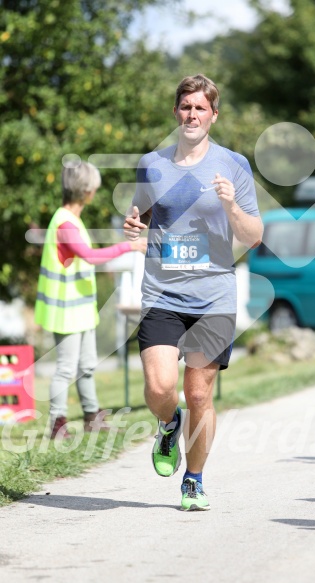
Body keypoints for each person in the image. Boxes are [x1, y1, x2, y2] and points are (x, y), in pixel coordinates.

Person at [123, 74, 263, 511]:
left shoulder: (233, 165)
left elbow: (254, 235)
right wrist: (133, 227)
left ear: (214, 115)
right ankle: (168, 425)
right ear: (176, 111)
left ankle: (194, 480)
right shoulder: (153, 164)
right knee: (160, 385)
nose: (192, 115)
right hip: (163, 292)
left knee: (200, 393)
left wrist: (231, 206)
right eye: (186, 107)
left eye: (201, 108)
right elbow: (141, 216)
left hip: (214, 297)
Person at [35, 161, 147, 439]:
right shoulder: (65, 223)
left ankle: (92, 416)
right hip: (65, 311)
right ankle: (57, 424)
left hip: (79, 308)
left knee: (86, 366)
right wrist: (130, 246)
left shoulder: (70, 219)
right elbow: (90, 256)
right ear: (86, 191)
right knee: (66, 368)